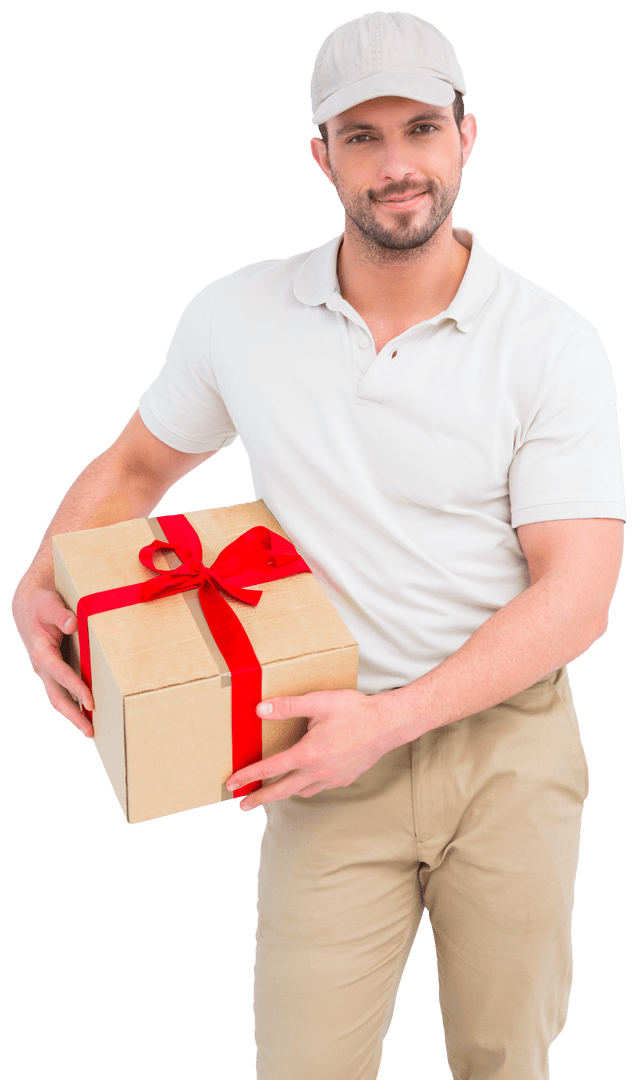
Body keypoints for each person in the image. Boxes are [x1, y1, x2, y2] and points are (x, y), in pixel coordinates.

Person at [11, 10, 627, 1079]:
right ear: (320, 155)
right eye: (361, 136)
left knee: (503, 1060)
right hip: (318, 755)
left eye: (420, 129)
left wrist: (388, 721)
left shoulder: (550, 344)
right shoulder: (238, 314)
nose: (396, 166)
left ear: (464, 136)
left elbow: (575, 596)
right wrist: (39, 575)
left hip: (507, 748)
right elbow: (134, 468)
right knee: (302, 1064)